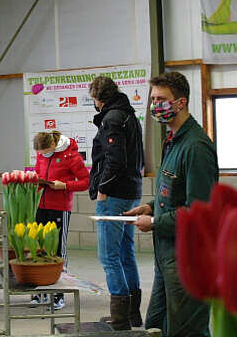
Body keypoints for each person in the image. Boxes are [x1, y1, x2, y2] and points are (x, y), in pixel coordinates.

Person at [125, 72, 218, 336]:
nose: (155, 105)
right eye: (153, 99)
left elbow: (199, 210)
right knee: (156, 324)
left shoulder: (196, 147)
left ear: (180, 102)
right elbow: (176, 192)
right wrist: (152, 207)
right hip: (167, 254)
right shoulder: (173, 140)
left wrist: (154, 222)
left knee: (185, 329)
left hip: (189, 257)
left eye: (162, 99)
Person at [89, 75, 145, 330]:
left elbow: (115, 160)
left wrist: (102, 189)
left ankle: (120, 319)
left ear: (99, 98)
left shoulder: (112, 119)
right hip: (132, 189)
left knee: (109, 256)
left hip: (114, 194)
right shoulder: (129, 115)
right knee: (125, 253)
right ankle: (132, 315)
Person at [30, 130, 89, 310]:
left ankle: (58, 295)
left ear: (53, 145)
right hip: (41, 205)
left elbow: (87, 181)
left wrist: (65, 186)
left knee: (57, 250)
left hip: (60, 207)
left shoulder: (71, 156)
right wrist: (35, 180)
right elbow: (37, 172)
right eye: (40, 153)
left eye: (45, 151)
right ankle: (39, 292)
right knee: (38, 248)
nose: (42, 155)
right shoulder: (41, 155)